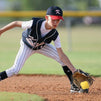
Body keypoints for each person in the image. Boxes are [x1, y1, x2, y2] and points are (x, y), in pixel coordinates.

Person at [0, 6, 80, 93]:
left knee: (63, 61)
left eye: (58, 20)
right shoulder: (34, 23)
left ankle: (74, 85)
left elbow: (61, 54)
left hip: (42, 47)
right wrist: (1, 31)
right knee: (15, 69)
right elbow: (16, 23)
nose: (56, 22)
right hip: (27, 45)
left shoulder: (55, 34)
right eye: (53, 19)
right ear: (46, 18)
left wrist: (74, 71)